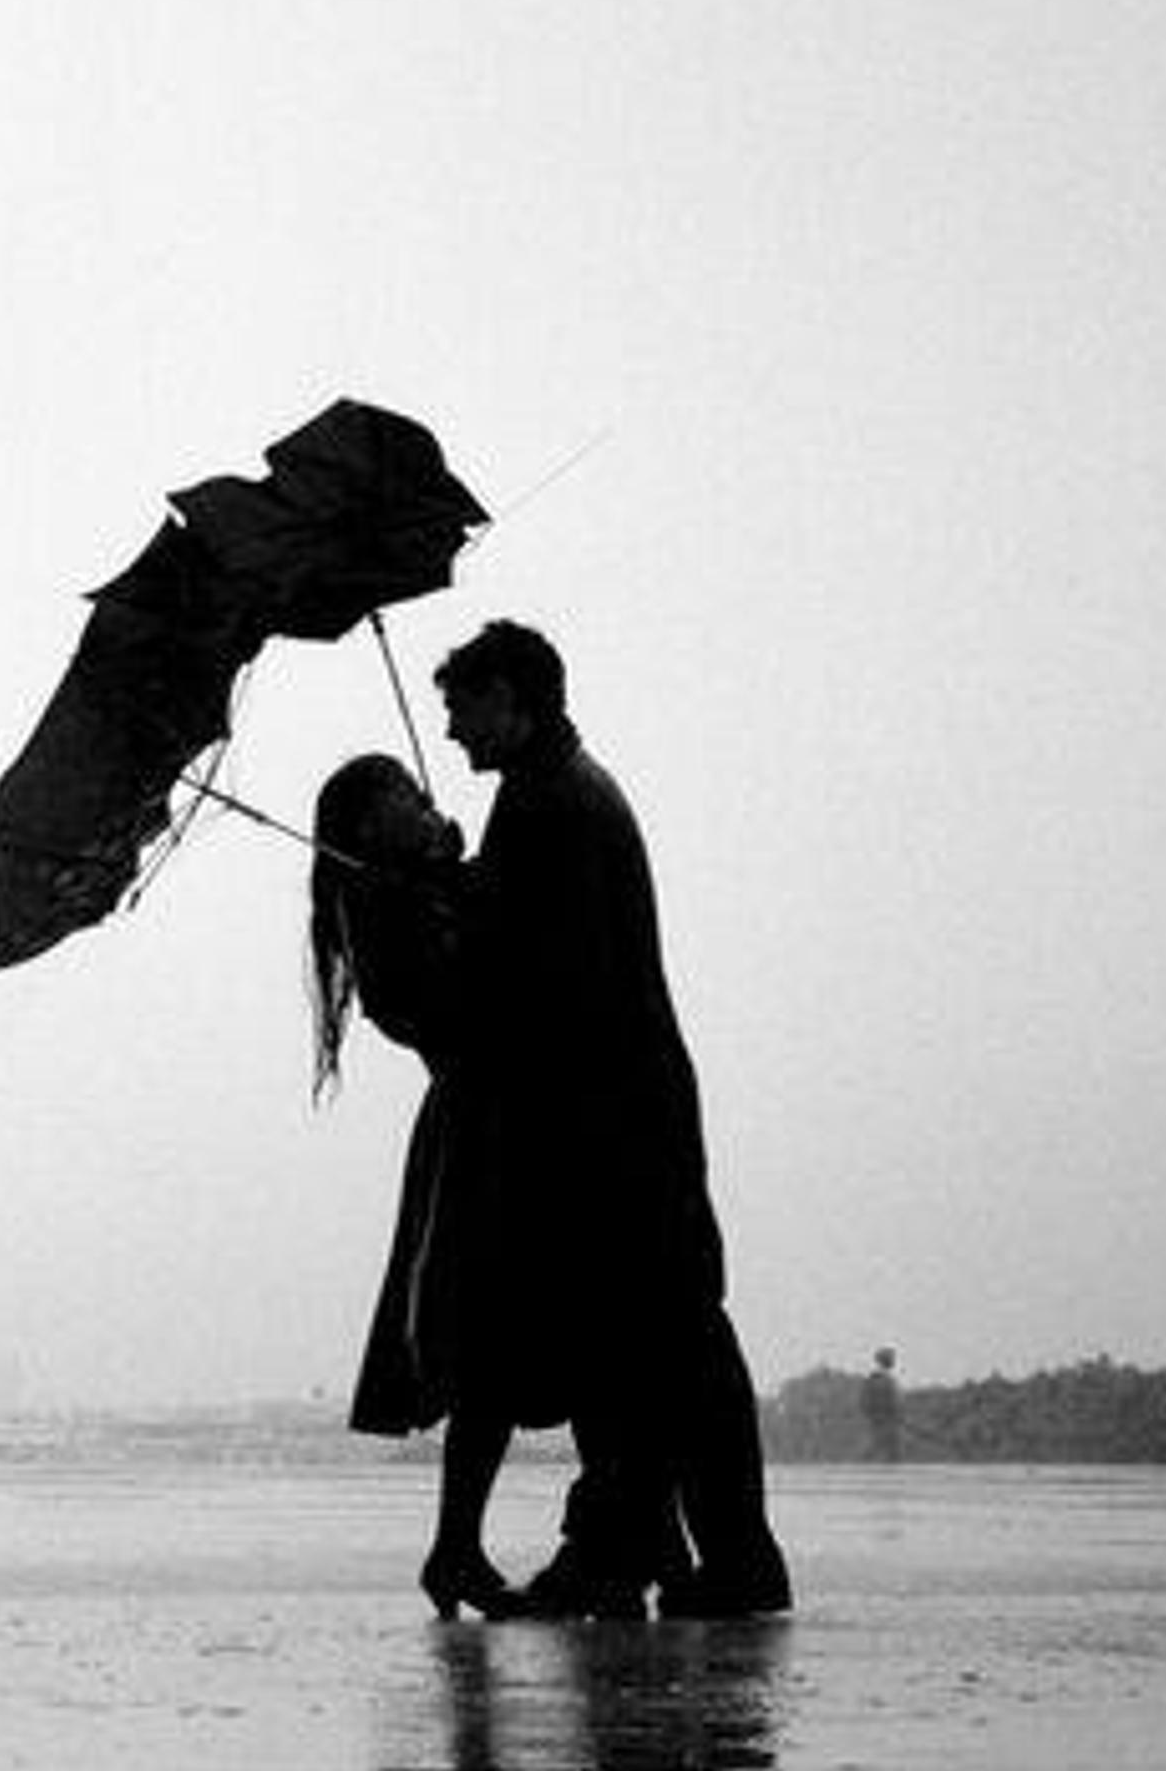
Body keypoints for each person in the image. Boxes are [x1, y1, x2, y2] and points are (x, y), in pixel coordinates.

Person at [431, 620, 789, 1621]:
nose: (453, 732)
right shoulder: (558, 795)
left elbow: (539, 980)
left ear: (513, 696)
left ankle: (633, 1554)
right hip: (630, 1117)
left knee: (638, 1346)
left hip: (608, 1127)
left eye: (463, 706)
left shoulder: (552, 804)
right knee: (666, 1343)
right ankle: (700, 1556)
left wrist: (452, 899)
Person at [306, 753, 565, 1621]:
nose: (426, 805)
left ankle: (456, 1548)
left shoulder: (415, 889)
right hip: (480, 1134)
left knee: (494, 1345)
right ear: (371, 823)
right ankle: (455, 1548)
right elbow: (458, 1003)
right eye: (406, 800)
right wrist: (455, 890)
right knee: (486, 1343)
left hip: (496, 1123)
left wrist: (454, 879)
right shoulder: (381, 907)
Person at [861, 1348, 904, 1462]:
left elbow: (865, 1403)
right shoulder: (882, 1380)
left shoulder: (874, 1379)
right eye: (891, 1359)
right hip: (884, 1422)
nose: (894, 1361)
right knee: (885, 1451)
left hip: (883, 1422)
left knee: (882, 1450)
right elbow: (893, 1402)